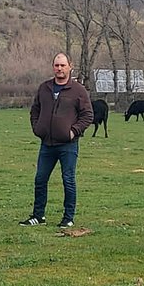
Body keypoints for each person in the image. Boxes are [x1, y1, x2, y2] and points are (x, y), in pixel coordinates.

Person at [20, 53, 93, 228]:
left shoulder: (78, 90)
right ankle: (38, 216)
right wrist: (37, 128)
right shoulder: (44, 88)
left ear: (70, 66)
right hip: (47, 144)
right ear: (53, 67)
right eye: (56, 65)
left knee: (68, 180)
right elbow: (35, 110)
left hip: (68, 145)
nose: (59, 69)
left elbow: (88, 115)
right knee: (40, 179)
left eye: (62, 65)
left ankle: (68, 218)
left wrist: (73, 132)